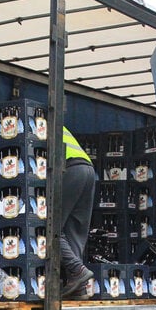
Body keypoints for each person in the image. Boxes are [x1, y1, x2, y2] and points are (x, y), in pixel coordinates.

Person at [59, 127, 96, 299]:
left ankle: (77, 269)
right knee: (73, 231)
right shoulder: (60, 124)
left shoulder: (35, 122)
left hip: (69, 168)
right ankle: (79, 289)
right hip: (88, 169)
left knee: (48, 227)